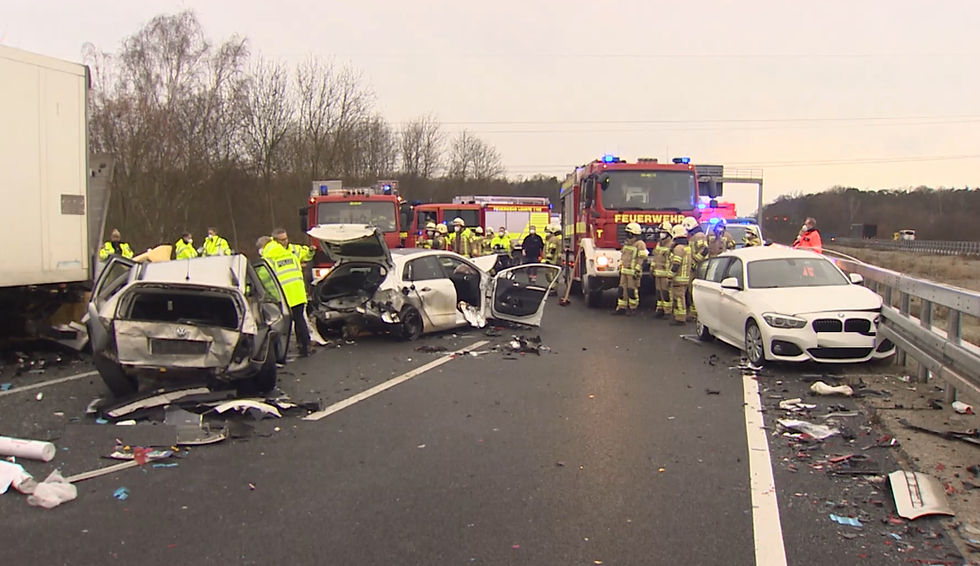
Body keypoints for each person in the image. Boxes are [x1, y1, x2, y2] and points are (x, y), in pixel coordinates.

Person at [257, 235, 312, 357]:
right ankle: (305, 346)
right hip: (298, 292)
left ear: (263, 247)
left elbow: (263, 277)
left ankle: (281, 351)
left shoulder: (268, 258)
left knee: (281, 324)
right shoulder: (290, 254)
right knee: (299, 320)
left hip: (284, 296)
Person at [612, 222, 648, 315]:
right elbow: (623, 256)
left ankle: (633, 308)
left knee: (632, 291)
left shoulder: (640, 244)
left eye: (629, 233)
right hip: (624, 271)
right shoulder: (627, 243)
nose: (627, 235)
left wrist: (637, 269)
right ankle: (621, 308)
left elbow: (642, 258)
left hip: (633, 272)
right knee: (622, 290)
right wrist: (620, 266)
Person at [683, 217, 708, 322]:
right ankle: (693, 312)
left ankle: (695, 313)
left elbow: (704, 250)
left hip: (699, 267)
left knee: (695, 290)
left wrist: (695, 262)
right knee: (691, 290)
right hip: (695, 267)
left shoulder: (699, 236)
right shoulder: (694, 236)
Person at [668, 224, 693, 326]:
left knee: (678, 297)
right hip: (686, 276)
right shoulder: (687, 247)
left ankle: (680, 318)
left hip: (679, 277)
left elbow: (676, 264)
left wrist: (670, 275)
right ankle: (680, 316)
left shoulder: (678, 248)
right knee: (681, 297)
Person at [652, 221, 674, 319]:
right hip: (658, 272)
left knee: (666, 293)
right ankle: (660, 309)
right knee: (658, 292)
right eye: (660, 231)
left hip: (666, 273)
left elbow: (673, 260)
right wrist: (652, 268)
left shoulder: (671, 245)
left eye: (663, 232)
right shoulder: (659, 244)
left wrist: (670, 273)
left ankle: (668, 311)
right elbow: (655, 257)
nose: (661, 234)